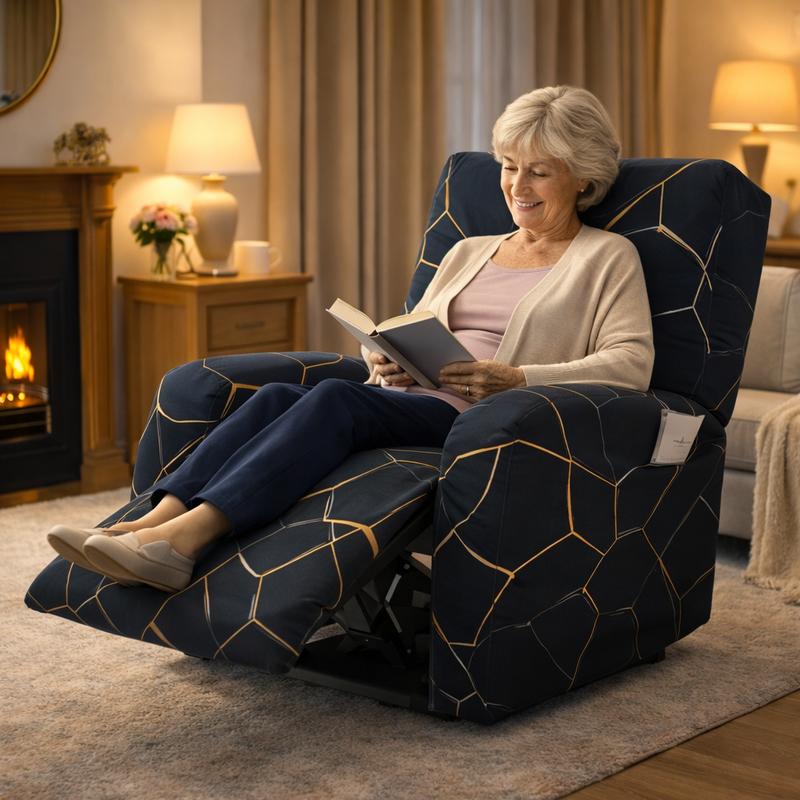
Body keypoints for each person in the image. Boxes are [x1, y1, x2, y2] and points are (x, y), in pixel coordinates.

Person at [46, 85, 654, 593]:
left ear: (583, 178)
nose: (517, 185)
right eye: (508, 166)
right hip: (416, 399)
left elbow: (632, 364)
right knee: (278, 398)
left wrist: (517, 378)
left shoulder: (606, 257)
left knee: (335, 401)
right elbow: (418, 328)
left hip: (486, 422)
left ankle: (185, 541)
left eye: (539, 172)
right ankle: (148, 522)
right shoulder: (471, 250)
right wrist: (384, 358)